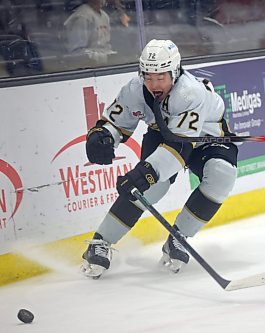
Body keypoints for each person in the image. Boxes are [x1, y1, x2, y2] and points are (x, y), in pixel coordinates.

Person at [81, 39, 238, 278]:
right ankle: (100, 242)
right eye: (149, 76)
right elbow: (115, 122)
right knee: (151, 189)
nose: (154, 84)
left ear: (175, 72)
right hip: (164, 132)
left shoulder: (190, 93)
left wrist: (146, 173)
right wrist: (102, 136)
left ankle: (179, 237)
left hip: (207, 137)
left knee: (221, 174)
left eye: (161, 77)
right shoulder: (135, 89)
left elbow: (180, 147)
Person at [63, 0, 114, 65]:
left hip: (105, 65)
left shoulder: (105, 16)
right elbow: (76, 52)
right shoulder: (82, 17)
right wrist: (100, 57)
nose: (103, 1)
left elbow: (106, 44)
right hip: (86, 68)